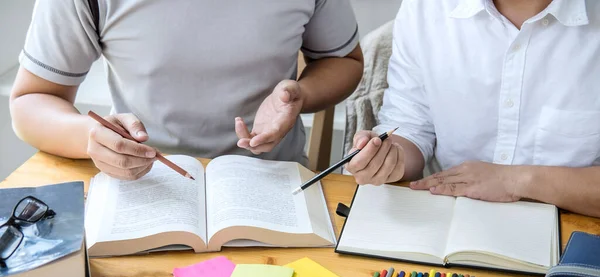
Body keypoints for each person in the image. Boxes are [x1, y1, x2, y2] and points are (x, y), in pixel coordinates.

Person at [10, 0, 363, 180]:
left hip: (272, 182)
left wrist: (301, 95)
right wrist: (90, 136)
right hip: (142, 184)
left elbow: (345, 61)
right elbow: (31, 101)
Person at [346, 0, 600, 217]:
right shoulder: (427, 8)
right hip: (448, 223)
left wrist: (515, 181)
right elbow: (411, 126)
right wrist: (390, 159)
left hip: (574, 234)